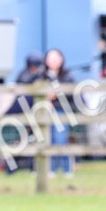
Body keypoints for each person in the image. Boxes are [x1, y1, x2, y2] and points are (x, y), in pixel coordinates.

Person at [42, 48, 76, 190]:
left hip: (61, 110)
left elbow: (72, 93)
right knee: (47, 139)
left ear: (61, 60)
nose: (53, 61)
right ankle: (51, 168)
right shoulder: (42, 76)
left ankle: (66, 168)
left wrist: (57, 94)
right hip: (45, 111)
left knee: (61, 138)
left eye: (56, 58)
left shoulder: (67, 76)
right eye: (51, 58)